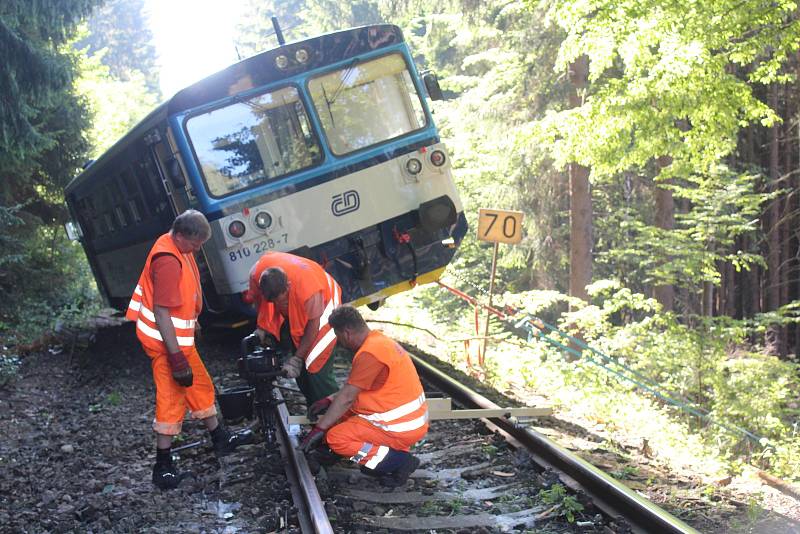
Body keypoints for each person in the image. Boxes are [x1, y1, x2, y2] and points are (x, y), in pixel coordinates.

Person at [126, 209, 253, 490]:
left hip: (178, 342)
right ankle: (163, 467)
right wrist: (176, 359)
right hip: (166, 346)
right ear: (182, 235)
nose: (198, 249)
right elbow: (161, 313)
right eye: (196, 244)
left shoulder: (178, 247)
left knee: (200, 387)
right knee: (171, 400)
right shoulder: (168, 261)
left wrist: (192, 321)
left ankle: (220, 438)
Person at [298, 305, 427, 488]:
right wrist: (328, 401)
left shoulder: (369, 354)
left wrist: (319, 429)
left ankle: (398, 461)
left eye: (338, 336)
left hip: (399, 427)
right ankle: (334, 454)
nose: (340, 342)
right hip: (405, 420)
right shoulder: (379, 342)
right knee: (339, 416)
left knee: (337, 438)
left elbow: (349, 397)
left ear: (347, 332)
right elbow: (355, 389)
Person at [247, 251, 342, 406]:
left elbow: (313, 326)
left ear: (288, 287)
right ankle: (315, 411)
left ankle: (335, 418)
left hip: (324, 307)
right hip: (302, 303)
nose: (279, 305)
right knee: (303, 376)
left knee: (315, 367)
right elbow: (260, 303)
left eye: (282, 300)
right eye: (275, 302)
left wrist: (296, 359)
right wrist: (262, 328)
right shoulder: (256, 274)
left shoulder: (310, 290)